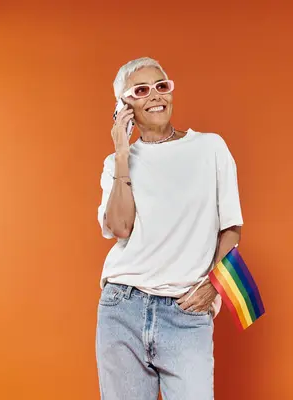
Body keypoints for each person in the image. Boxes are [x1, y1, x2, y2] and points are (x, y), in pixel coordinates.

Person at [95, 57, 243, 399]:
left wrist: (215, 287)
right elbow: (120, 227)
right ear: (124, 106)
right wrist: (121, 153)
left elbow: (232, 230)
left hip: (185, 312)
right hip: (123, 307)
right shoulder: (116, 164)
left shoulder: (210, 149)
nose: (155, 95)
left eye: (162, 86)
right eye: (141, 90)